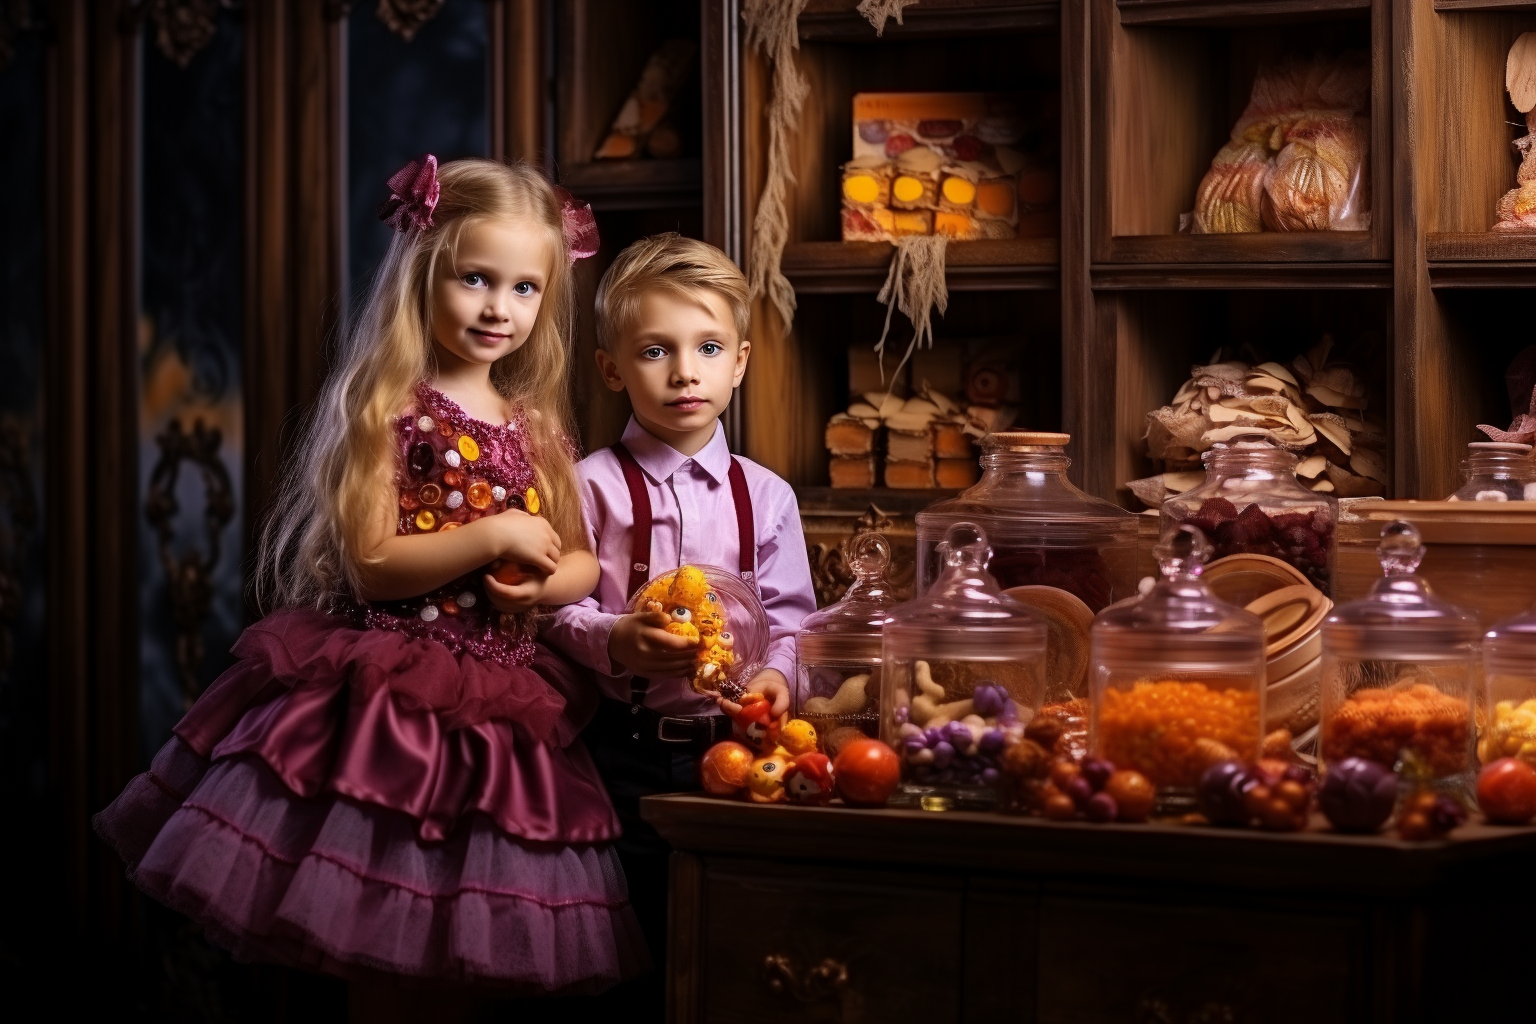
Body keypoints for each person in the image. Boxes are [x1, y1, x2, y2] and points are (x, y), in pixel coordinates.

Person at [93, 156, 646, 1014]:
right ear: (425, 272)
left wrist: (538, 586)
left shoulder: (538, 423)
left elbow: (579, 560)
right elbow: (371, 563)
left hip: (505, 712)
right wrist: (491, 535)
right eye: (475, 279)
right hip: (392, 702)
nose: (501, 307)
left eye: (526, 288)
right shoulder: (390, 407)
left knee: (475, 945)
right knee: (384, 937)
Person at [542, 232, 816, 1019]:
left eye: (707, 347)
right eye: (655, 350)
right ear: (611, 368)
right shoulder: (586, 486)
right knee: (625, 948)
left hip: (735, 751)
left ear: (741, 361)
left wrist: (777, 676)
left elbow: (793, 623)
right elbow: (550, 612)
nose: (684, 371)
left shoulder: (766, 497)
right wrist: (614, 639)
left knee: (727, 944)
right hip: (615, 754)